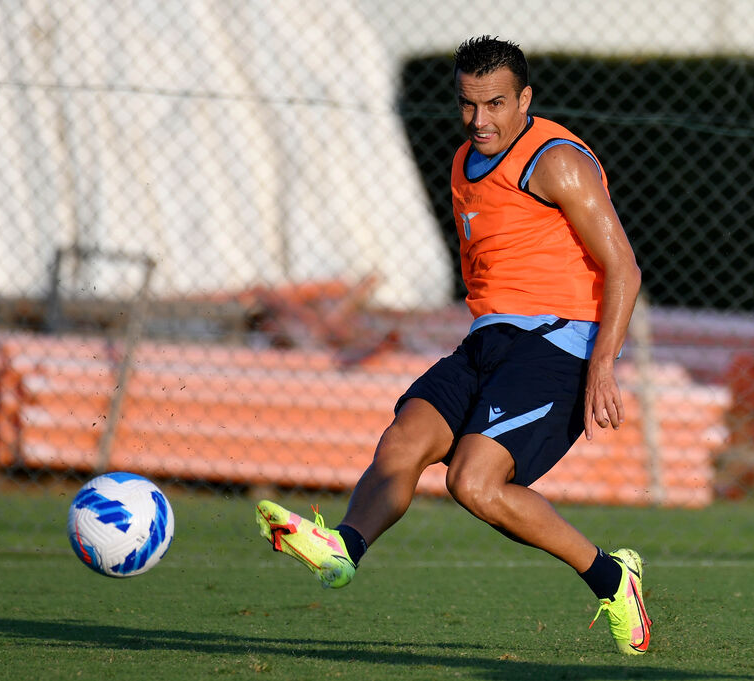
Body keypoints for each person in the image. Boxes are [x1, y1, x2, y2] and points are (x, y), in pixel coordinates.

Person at [254, 35, 651, 655]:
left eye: (495, 104)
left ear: (525, 99)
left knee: (475, 484)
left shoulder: (556, 161)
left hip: (556, 346)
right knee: (405, 437)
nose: (481, 121)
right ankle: (344, 548)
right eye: (468, 105)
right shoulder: (464, 162)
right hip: (488, 342)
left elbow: (623, 267)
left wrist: (602, 365)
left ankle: (612, 578)